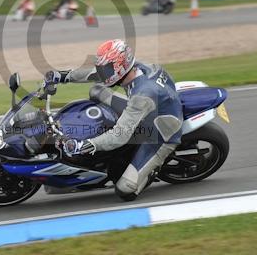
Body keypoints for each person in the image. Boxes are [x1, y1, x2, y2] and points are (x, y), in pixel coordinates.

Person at [45, 39, 183, 201]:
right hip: (148, 111)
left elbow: (119, 137)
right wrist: (62, 76)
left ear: (120, 66)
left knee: (125, 190)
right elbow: (92, 74)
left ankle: (152, 169)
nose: (102, 73)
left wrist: (87, 145)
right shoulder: (135, 68)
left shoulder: (143, 94)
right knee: (97, 90)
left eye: (106, 69)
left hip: (161, 134)